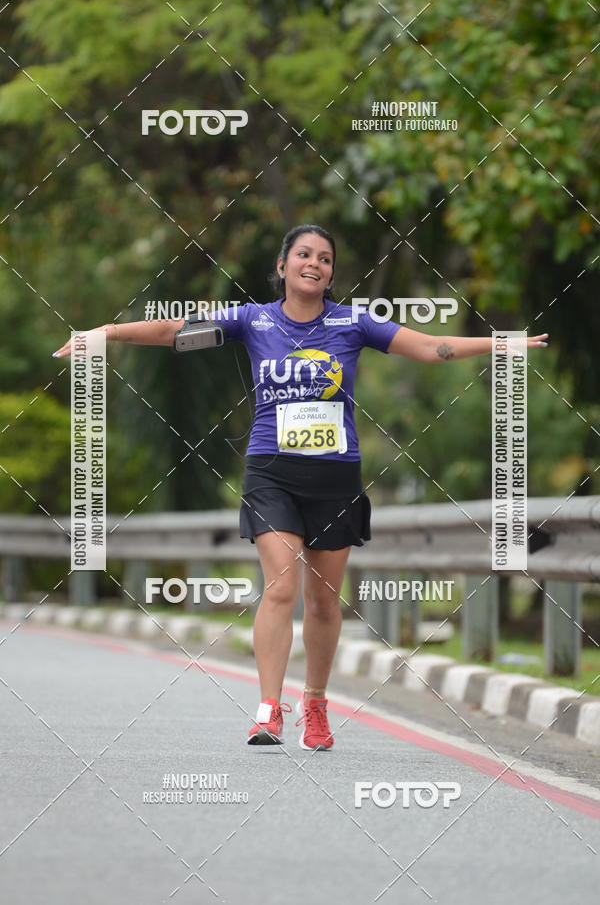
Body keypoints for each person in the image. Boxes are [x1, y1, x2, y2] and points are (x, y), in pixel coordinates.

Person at [53, 223, 549, 751]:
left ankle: (315, 702)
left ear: (331, 273)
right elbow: (176, 332)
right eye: (305, 254)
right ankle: (269, 710)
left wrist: (499, 344)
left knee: (323, 604)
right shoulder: (252, 320)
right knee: (281, 587)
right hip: (271, 473)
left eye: (326, 258)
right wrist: (107, 332)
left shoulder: (353, 323)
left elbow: (430, 347)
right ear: (283, 266)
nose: (315, 263)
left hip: (335, 479)